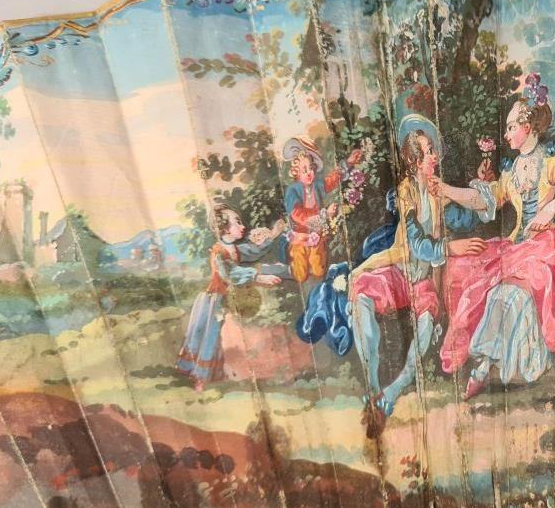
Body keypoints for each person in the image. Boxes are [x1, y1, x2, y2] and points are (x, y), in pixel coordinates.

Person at [436, 72, 555, 400]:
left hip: (548, 248)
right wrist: (445, 189)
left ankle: (484, 368)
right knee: (471, 279)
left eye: (510, 127)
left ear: (528, 127)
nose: (505, 134)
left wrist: (553, 206)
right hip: (517, 247)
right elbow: (483, 199)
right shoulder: (511, 171)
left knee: (507, 295)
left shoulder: (552, 161)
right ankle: (490, 363)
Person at [348, 115, 485, 438]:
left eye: (433, 150)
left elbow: (467, 218)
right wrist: (450, 248)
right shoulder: (405, 192)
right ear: (414, 160)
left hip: (424, 279)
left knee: (425, 329)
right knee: (362, 296)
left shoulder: (437, 191)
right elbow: (416, 243)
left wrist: (478, 187)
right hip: (399, 270)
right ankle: (372, 388)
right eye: (428, 151)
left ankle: (391, 393)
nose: (435, 156)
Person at [176, 205, 284, 392]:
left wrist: (273, 235)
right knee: (208, 336)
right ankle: (200, 378)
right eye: (237, 223)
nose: (243, 226)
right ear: (224, 229)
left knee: (222, 336)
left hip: (226, 297)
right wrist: (259, 277)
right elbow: (230, 273)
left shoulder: (234, 248)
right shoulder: (219, 251)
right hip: (213, 299)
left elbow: (254, 250)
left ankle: (215, 373)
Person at [282, 136, 340, 284]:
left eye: (311, 169)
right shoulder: (292, 190)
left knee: (319, 270)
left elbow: (331, 181)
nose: (309, 173)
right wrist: (325, 214)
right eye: (304, 170)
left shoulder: (317, 185)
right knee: (300, 275)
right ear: (296, 172)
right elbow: (299, 216)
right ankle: (288, 269)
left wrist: (349, 164)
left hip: (316, 234)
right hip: (300, 237)